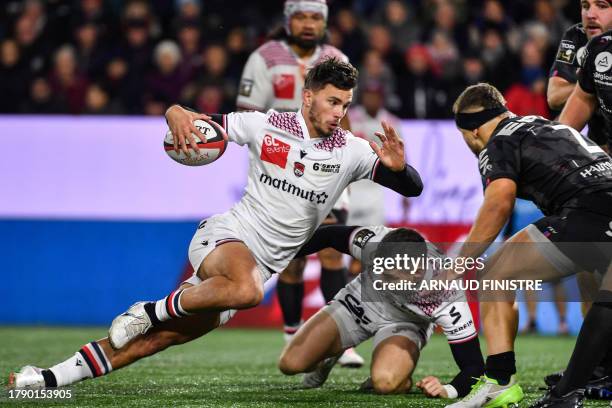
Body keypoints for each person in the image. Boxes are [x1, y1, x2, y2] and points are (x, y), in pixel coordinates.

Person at [9, 58, 424, 389]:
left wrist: (401, 169)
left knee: (151, 342)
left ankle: (46, 378)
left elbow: (413, 188)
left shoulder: (350, 151)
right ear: (308, 95)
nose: (341, 112)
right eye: (333, 101)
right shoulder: (266, 125)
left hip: (245, 274)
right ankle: (150, 309)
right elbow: (200, 123)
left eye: (346, 104)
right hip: (225, 239)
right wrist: (174, 111)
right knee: (247, 291)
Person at [446, 83, 612, 408]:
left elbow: (498, 203)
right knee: (591, 277)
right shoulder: (543, 123)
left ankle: (499, 380)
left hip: (588, 210)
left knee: (494, 274)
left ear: (472, 131)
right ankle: (602, 370)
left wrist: (458, 265)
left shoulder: (498, 141)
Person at [236, 0, 362, 366]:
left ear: (324, 22)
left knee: (331, 250)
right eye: (301, 17)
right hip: (283, 173)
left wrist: (348, 164)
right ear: (288, 20)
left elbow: (344, 113)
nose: (308, 24)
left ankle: (341, 340)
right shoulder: (265, 58)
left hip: (326, 168)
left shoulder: (336, 57)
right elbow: (248, 117)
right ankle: (293, 337)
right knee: (291, 259)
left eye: (315, 18)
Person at [278, 224, 485, 399]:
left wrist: (448, 390)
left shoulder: (447, 296)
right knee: (290, 364)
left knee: (386, 383)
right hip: (361, 301)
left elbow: (474, 367)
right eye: (381, 272)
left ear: (418, 272)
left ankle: (396, 374)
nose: (384, 282)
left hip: (406, 323)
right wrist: (276, 256)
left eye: (392, 278)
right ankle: (330, 355)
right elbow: (328, 235)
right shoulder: (374, 242)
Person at [547, 0, 612, 152]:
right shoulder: (578, 38)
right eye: (585, 6)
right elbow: (555, 97)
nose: (590, 15)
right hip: (600, 150)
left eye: (601, 6)